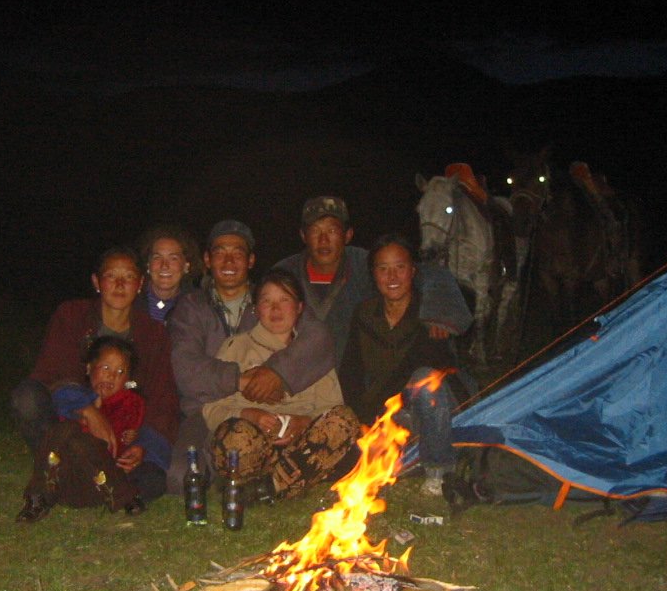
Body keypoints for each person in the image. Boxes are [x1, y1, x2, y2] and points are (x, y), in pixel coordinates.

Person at [166, 219, 337, 494]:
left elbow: (318, 338)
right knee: (181, 478)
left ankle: (261, 473)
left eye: (238, 252)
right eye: (220, 252)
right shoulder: (191, 307)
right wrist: (240, 380)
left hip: (273, 413)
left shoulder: (269, 296)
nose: (229, 260)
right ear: (207, 260)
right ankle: (241, 471)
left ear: (251, 260)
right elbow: (186, 368)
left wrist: (276, 373)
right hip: (206, 409)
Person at [10, 246, 179, 477]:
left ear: (140, 284)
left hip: (122, 428)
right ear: (97, 282)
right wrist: (87, 407)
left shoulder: (152, 333)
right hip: (71, 418)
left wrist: (144, 444)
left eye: (129, 277)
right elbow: (52, 371)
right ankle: (60, 466)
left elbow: (162, 396)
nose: (120, 284)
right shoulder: (72, 315)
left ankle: (103, 472)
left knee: (150, 480)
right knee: (27, 398)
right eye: (111, 276)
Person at [202, 269, 358, 499]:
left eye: (284, 300)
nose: (275, 309)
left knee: (345, 421)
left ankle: (270, 487)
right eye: (267, 301)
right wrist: (250, 415)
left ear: (299, 307)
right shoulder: (236, 347)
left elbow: (332, 408)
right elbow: (211, 409)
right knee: (235, 437)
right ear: (256, 309)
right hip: (254, 446)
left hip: (301, 448)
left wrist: (303, 422)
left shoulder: (313, 351)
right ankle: (288, 481)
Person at [338, 234, 473, 495]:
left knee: (425, 380)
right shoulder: (364, 314)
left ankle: (439, 471)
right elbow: (351, 371)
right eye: (383, 268)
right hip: (393, 412)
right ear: (373, 274)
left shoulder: (433, 312)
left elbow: (433, 367)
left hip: (436, 406)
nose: (392, 277)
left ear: (412, 271)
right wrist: (361, 421)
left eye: (400, 267)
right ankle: (408, 458)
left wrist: (380, 413)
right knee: (366, 465)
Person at [275, 196, 471, 365]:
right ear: (303, 236)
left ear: (348, 235)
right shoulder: (284, 274)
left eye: (332, 231)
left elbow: (429, 274)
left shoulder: (364, 264)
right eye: (315, 231)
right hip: (299, 374)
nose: (323, 240)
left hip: (353, 373)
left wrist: (440, 313)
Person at [16, 336, 167, 522]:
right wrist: (86, 412)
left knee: (153, 477)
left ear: (128, 379)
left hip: (102, 483)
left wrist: (135, 442)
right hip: (69, 477)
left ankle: (124, 494)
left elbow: (140, 434)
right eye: (106, 367)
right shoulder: (76, 397)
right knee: (68, 432)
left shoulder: (131, 404)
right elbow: (59, 399)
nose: (111, 375)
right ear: (89, 368)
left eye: (120, 372)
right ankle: (40, 495)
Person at [134, 224, 203, 322]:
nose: (164, 266)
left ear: (186, 266)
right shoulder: (131, 299)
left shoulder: (198, 306)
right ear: (148, 265)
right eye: (157, 258)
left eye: (173, 258)